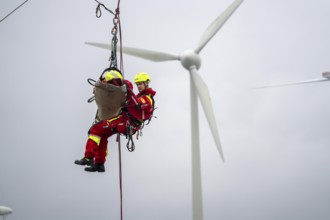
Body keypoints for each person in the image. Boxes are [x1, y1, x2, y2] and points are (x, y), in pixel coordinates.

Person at [75, 72, 156, 172]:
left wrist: (128, 90)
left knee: (95, 129)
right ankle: (99, 163)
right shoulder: (140, 96)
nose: (138, 86)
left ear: (146, 83)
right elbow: (130, 95)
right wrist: (112, 82)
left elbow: (137, 105)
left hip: (124, 122)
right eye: (137, 84)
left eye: (140, 84)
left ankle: (88, 157)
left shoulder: (147, 98)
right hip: (125, 124)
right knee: (102, 135)